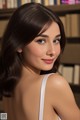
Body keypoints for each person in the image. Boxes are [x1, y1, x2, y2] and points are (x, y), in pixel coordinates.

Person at [0, 2, 80, 120]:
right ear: (19, 44)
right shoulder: (53, 84)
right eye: (41, 41)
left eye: (56, 40)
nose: (52, 51)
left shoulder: (7, 88)